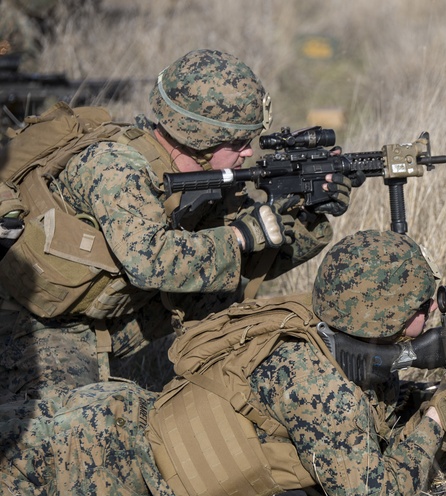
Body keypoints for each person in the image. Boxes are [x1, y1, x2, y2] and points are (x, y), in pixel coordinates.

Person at [0, 230, 446, 496]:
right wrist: (436, 419)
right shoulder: (323, 390)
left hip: (114, 417)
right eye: (422, 304)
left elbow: (369, 421)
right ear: (382, 318)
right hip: (93, 457)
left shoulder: (320, 327)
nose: (434, 309)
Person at [0, 48, 352, 402]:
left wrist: (309, 213)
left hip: (110, 311)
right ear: (201, 137)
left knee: (225, 289)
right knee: (77, 426)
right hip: (39, 323)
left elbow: (250, 264)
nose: (248, 152)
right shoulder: (116, 167)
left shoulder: (206, 178)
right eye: (239, 142)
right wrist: (242, 234)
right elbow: (148, 262)